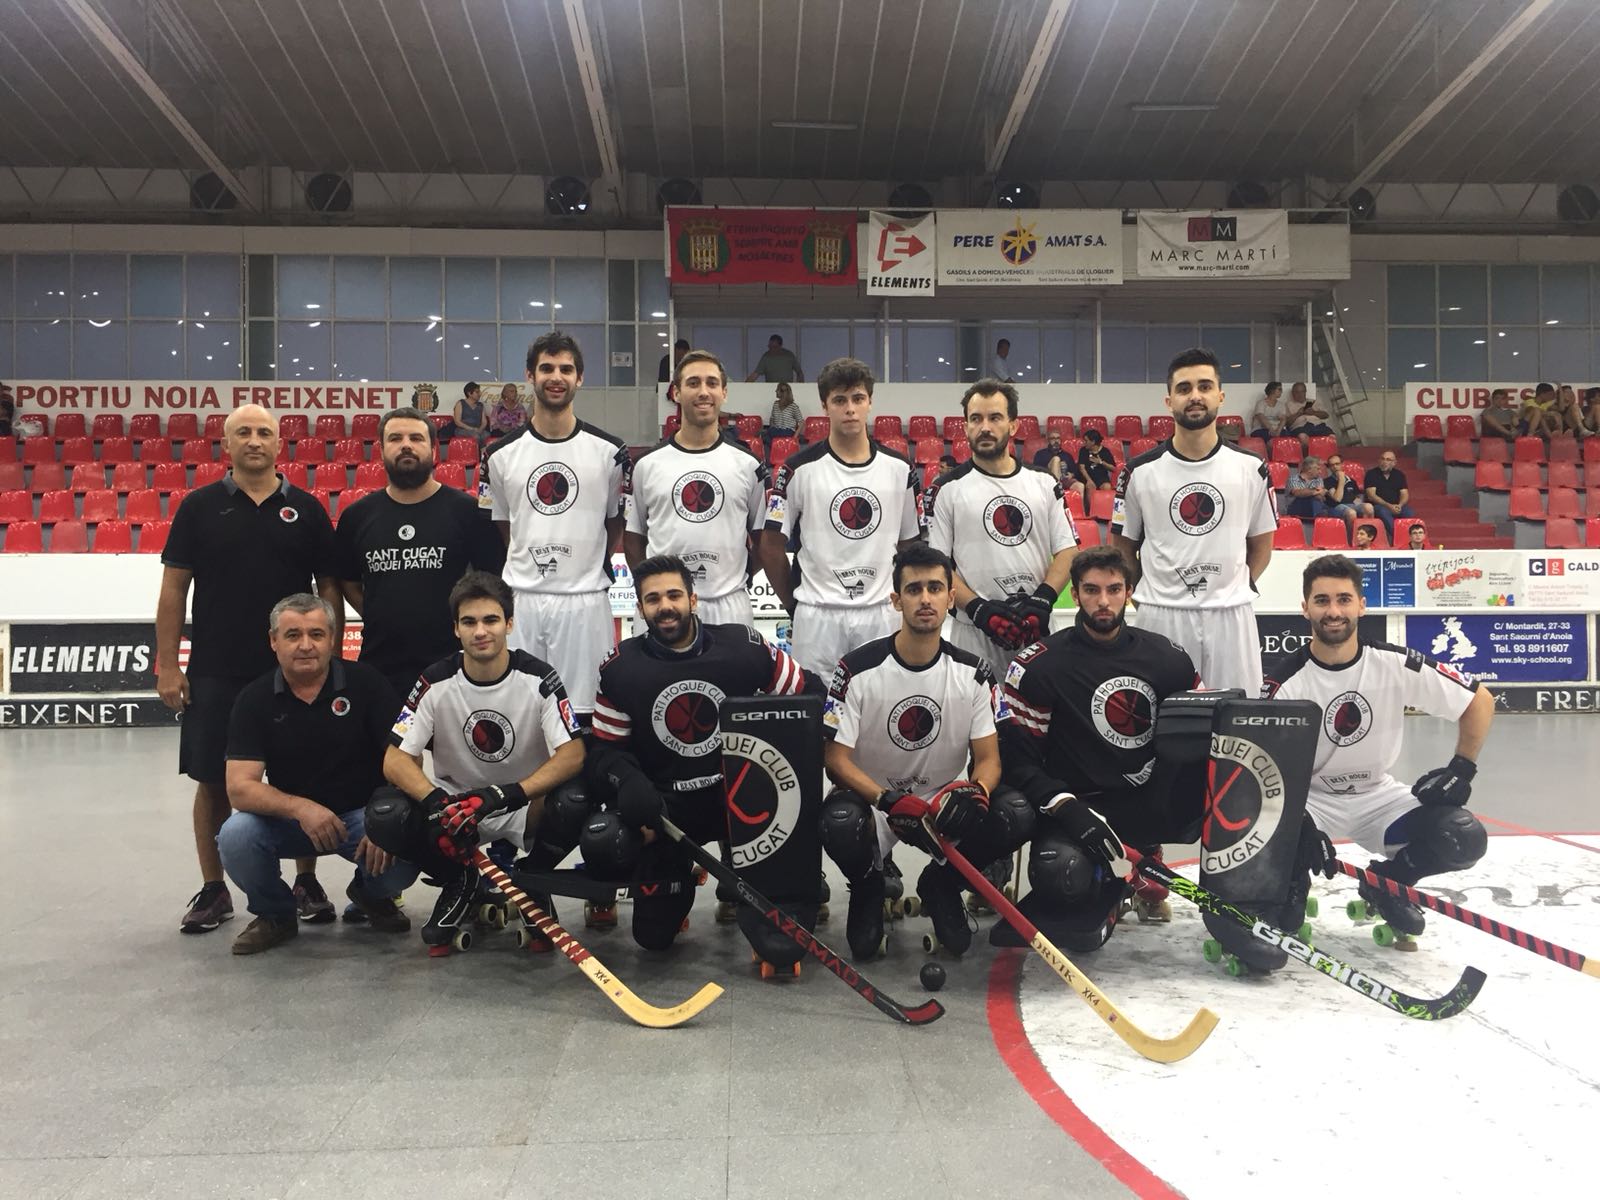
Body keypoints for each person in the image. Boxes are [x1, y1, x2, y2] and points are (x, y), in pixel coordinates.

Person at [158, 404, 341, 935]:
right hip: (217, 668)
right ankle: (215, 889)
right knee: (213, 780)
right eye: (244, 432)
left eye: (264, 431)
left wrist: (331, 654)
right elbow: (173, 589)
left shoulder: (307, 509)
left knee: (306, 772)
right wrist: (169, 665)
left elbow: (328, 588)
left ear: (280, 443)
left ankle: (305, 880)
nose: (254, 440)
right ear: (226, 443)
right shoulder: (198, 508)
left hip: (296, 670)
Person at [1263, 554, 1493, 938]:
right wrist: (1297, 825)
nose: (1333, 611)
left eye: (1343, 599)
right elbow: (1263, 768)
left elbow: (1479, 701)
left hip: (1377, 797)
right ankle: (1292, 885)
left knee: (1465, 836)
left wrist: (1461, 770)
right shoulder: (1284, 683)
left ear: (1361, 606)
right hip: (1310, 800)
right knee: (1274, 859)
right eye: (1322, 601)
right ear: (1305, 609)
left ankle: (1387, 882)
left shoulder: (1394, 663)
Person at [587, 555, 808, 949]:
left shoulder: (744, 647)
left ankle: (754, 874)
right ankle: (683, 875)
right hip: (669, 812)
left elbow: (807, 696)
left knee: (780, 950)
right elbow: (604, 749)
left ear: (693, 599)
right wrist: (630, 781)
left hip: (738, 805)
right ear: (640, 609)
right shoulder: (621, 669)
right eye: (653, 599)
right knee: (652, 940)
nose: (665, 606)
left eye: (674, 595)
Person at [822, 544, 1028, 958]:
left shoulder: (974, 672)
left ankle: (943, 884)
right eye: (914, 589)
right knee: (839, 821)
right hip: (876, 802)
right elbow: (835, 759)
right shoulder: (855, 670)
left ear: (951, 598)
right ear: (896, 599)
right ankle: (869, 885)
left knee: (1016, 812)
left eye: (936, 588)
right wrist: (886, 798)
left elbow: (988, 760)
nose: (926, 598)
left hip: (943, 801)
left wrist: (976, 792)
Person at [368, 571, 587, 953]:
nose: (480, 631)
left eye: (490, 620)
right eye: (469, 622)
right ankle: (460, 879)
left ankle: (534, 879)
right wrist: (435, 800)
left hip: (520, 803)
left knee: (576, 799)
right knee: (386, 814)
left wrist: (507, 793)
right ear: (456, 629)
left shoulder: (540, 678)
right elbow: (395, 758)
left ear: (509, 623)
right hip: (456, 811)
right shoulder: (433, 681)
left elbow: (573, 754)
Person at [998, 545, 1203, 948]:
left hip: (1142, 800)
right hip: (1076, 805)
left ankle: (1144, 851)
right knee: (1059, 875)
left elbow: (1193, 745)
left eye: (1113, 589)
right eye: (1092, 590)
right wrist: (1065, 807)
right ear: (1074, 594)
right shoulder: (1039, 665)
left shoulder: (1168, 659)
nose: (1103, 601)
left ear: (1129, 591)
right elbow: (1018, 761)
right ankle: (1114, 877)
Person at [215, 595, 418, 955]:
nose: (306, 645)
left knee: (413, 833)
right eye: (293, 635)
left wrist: (387, 817)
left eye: (316, 634)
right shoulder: (253, 699)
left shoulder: (370, 683)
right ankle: (276, 915)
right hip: (291, 823)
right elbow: (239, 789)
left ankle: (371, 895)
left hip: (362, 818)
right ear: (273, 641)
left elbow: (407, 759)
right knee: (236, 835)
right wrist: (301, 809)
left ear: (332, 638)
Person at [1109, 347, 1277, 694]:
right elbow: (1123, 547)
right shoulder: (1138, 471)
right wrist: (1147, 597)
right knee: (1159, 721)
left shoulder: (1252, 468)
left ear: (1220, 396)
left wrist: (1235, 587)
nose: (1195, 396)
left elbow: (1262, 542)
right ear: (1169, 401)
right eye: (1184, 389)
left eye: (1204, 386)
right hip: (1162, 613)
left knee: (1235, 722)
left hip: (1231, 613)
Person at [480, 331, 628, 721]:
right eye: (546, 368)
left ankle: (577, 784)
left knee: (584, 716)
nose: (555, 376)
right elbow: (502, 524)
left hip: (585, 600)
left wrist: (587, 561)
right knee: (521, 713)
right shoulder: (499, 455)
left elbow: (614, 521)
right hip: (523, 599)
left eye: (566, 369)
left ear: (580, 378)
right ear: (530, 375)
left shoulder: (610, 453)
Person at [758, 356, 922, 678]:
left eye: (858, 399)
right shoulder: (796, 469)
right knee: (817, 716)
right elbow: (770, 546)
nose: (850, 408)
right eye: (840, 400)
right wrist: (795, 606)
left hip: (881, 612)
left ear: (870, 403)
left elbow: (910, 545)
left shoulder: (900, 469)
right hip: (817, 616)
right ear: (825, 405)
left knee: (878, 715)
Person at [335, 407, 504, 698]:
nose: (406, 445)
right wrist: (378, 613)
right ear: (381, 449)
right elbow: (347, 582)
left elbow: (491, 581)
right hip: (379, 666)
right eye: (395, 438)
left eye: (416, 438)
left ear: (434, 449)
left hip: (452, 667)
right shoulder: (356, 517)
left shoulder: (468, 512)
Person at [924, 379, 1077, 678]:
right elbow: (938, 564)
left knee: (1038, 722)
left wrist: (1042, 600)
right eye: (976, 419)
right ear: (966, 426)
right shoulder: (946, 488)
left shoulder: (1045, 482)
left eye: (994, 418)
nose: (985, 427)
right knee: (978, 723)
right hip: (974, 632)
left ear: (1013, 425)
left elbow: (1068, 550)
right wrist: (979, 609)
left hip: (1034, 626)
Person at [625, 350, 768, 630]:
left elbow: (763, 540)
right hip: (665, 610)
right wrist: (654, 588)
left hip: (729, 606)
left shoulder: (748, 465)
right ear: (676, 393)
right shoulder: (646, 464)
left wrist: (740, 578)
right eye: (693, 383)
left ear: (724, 393)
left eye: (712, 383)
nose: (704, 392)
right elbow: (633, 539)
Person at [1363, 448, 1413, 539]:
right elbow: (1371, 495)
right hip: (1379, 506)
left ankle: (1409, 536)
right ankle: (1400, 537)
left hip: (1396, 506)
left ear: (1394, 463)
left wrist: (1400, 505)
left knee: (1408, 512)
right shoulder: (1371, 474)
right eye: (1382, 459)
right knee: (1383, 512)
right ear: (1379, 461)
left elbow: (1404, 493)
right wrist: (1389, 505)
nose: (1384, 462)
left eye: (1388, 460)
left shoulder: (1399, 475)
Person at [1322, 452, 1372, 528]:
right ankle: (1351, 538)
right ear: (1329, 467)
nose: (1335, 467)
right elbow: (1337, 498)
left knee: (1368, 507)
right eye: (1332, 465)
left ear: (1342, 464)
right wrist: (1341, 480)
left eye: (1337, 464)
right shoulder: (1326, 481)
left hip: (1351, 505)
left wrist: (1360, 505)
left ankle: (1366, 534)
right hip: (1335, 507)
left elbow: (1357, 498)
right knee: (1351, 513)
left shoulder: (1351, 481)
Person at [1284, 381, 1334, 449]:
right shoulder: (1288, 405)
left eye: (1302, 391)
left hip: (1317, 426)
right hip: (1300, 428)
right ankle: (1309, 457)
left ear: (1305, 392)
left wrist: (1313, 412)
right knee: (1302, 437)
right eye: (1297, 392)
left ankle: (1327, 457)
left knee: (1332, 437)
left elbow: (1326, 415)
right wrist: (1298, 413)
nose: (1300, 394)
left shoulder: (1313, 402)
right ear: (1293, 393)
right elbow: (1287, 423)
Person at [1284, 455, 1327, 519]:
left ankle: (1319, 520)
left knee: (1316, 500)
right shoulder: (1293, 479)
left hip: (1312, 506)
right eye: (1318, 469)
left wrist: (1312, 493)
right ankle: (1319, 519)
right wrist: (1315, 491)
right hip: (1295, 508)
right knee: (1304, 498)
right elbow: (1298, 493)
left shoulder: (1318, 480)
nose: (1320, 472)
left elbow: (1320, 496)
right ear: (1309, 469)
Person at [453, 381, 488, 447]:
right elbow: (457, 421)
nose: (480, 394)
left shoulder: (480, 405)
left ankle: (483, 455)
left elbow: (484, 422)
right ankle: (476, 455)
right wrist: (471, 429)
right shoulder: (460, 403)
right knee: (476, 436)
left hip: (477, 429)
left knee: (486, 435)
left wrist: (480, 429)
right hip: (463, 430)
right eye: (477, 392)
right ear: (469, 393)